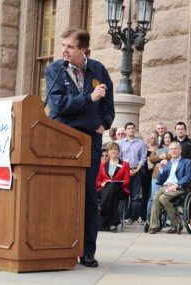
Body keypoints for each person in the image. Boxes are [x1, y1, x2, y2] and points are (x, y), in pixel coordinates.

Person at [45, 27, 114, 268]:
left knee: (87, 194)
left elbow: (109, 106)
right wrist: (88, 99)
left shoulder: (99, 70)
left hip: (89, 142)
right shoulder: (55, 70)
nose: (64, 50)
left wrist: (103, 124)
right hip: (61, 138)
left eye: (70, 46)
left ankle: (87, 251)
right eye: (63, 45)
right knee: (60, 192)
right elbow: (57, 106)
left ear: (83, 49)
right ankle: (57, 245)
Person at [148, 142, 191, 234]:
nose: (173, 150)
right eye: (171, 149)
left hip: (178, 188)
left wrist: (177, 184)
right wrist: (161, 168)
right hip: (165, 187)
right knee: (156, 198)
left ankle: (176, 223)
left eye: (175, 148)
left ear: (180, 150)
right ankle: (153, 226)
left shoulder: (187, 162)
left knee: (162, 198)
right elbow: (161, 180)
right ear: (169, 152)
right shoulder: (167, 163)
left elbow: (189, 176)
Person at [96, 142, 130, 233]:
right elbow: (98, 181)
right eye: (111, 149)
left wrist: (116, 183)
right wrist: (101, 184)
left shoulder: (125, 164)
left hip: (120, 189)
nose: (113, 151)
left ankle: (101, 207)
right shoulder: (102, 165)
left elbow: (127, 181)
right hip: (104, 190)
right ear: (108, 151)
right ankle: (113, 223)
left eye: (115, 149)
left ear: (118, 151)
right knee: (113, 195)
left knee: (113, 185)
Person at [118, 122, 147, 225]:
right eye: (129, 128)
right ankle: (123, 216)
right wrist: (126, 170)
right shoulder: (120, 143)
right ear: (126, 130)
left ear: (135, 130)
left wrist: (137, 169)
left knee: (135, 196)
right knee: (124, 195)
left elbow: (143, 158)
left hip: (137, 171)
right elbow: (119, 158)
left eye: (132, 128)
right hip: (124, 171)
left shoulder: (141, 143)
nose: (131, 130)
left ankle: (131, 218)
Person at [146, 131, 174, 220]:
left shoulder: (174, 148)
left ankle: (167, 219)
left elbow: (175, 157)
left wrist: (165, 156)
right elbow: (151, 158)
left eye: (169, 137)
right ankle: (149, 218)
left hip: (170, 177)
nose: (167, 139)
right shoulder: (158, 148)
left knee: (166, 198)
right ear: (163, 139)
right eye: (165, 137)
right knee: (153, 197)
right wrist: (160, 158)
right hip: (156, 176)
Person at [140, 131, 159, 222]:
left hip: (155, 174)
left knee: (154, 195)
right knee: (145, 195)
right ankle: (143, 216)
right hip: (145, 174)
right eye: (151, 138)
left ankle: (152, 216)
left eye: (155, 138)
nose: (153, 140)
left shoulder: (159, 148)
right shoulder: (145, 147)